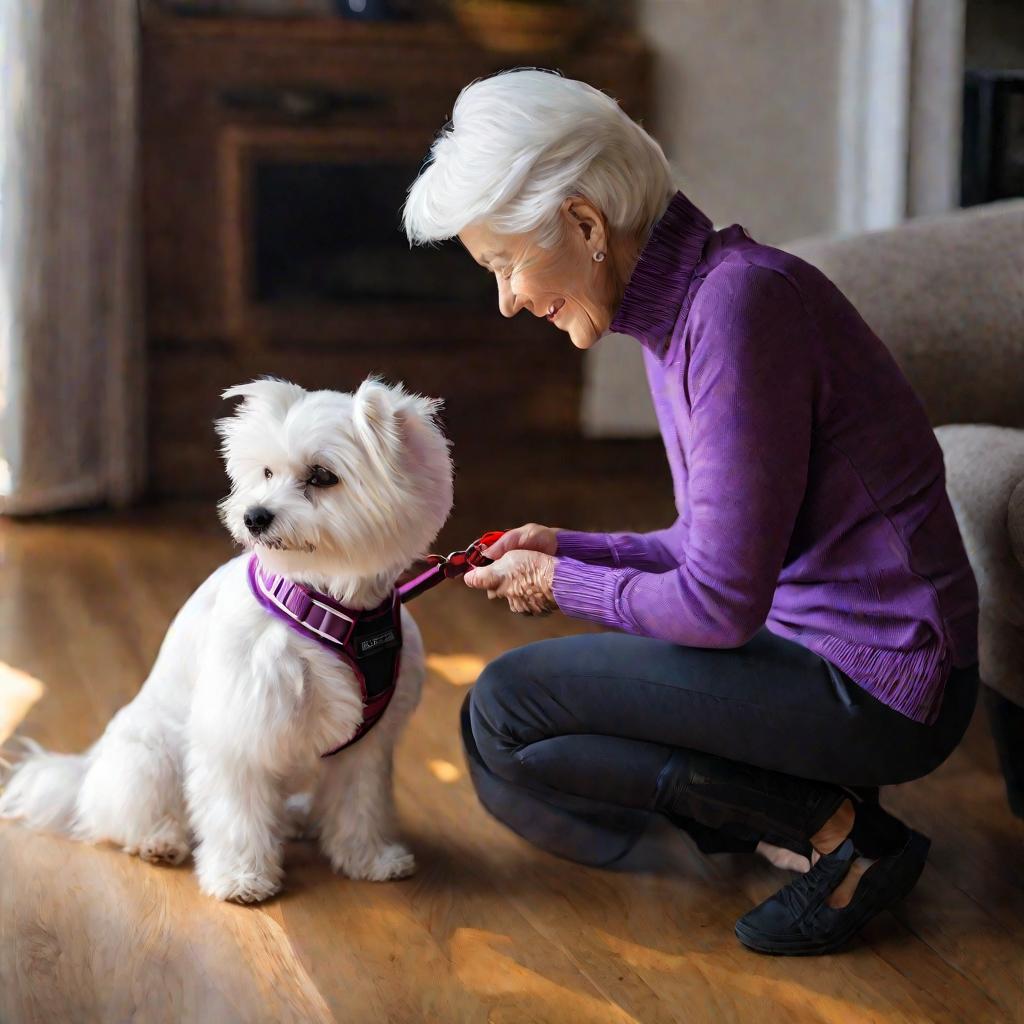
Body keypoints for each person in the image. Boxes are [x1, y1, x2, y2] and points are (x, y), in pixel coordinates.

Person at [402, 69, 979, 955]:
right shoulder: (694, 308)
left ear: (586, 224)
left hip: (879, 683)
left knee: (510, 710)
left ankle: (842, 833)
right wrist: (573, 544)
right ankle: (803, 818)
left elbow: (719, 602)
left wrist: (562, 580)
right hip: (809, 649)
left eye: (506, 262)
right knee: (497, 737)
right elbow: (718, 546)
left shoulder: (737, 309)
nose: (508, 298)